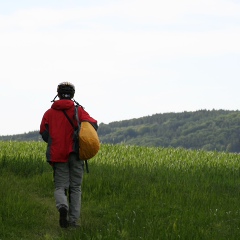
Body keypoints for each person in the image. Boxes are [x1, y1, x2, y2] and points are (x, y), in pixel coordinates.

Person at [39, 82, 98, 228]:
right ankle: (73, 222)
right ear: (72, 94)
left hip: (57, 154)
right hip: (76, 153)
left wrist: (55, 142)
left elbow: (44, 133)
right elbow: (93, 126)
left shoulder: (49, 113)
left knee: (60, 186)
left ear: (58, 94)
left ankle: (62, 206)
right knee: (75, 187)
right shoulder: (79, 110)